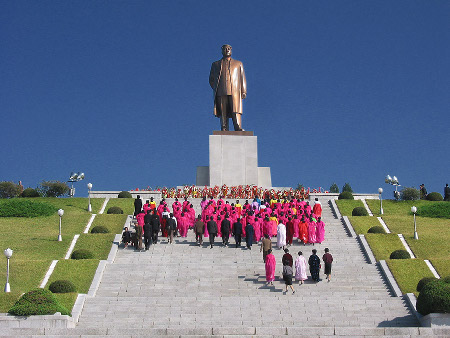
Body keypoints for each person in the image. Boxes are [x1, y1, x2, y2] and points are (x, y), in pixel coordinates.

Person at [209, 44, 247, 131]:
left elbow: (242, 78)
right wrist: (216, 87)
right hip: (221, 91)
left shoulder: (238, 64)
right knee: (223, 110)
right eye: (225, 49)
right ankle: (224, 127)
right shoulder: (216, 64)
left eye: (229, 48)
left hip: (235, 91)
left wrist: (244, 91)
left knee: (235, 109)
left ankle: (238, 127)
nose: (227, 50)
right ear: (222, 50)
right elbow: (211, 79)